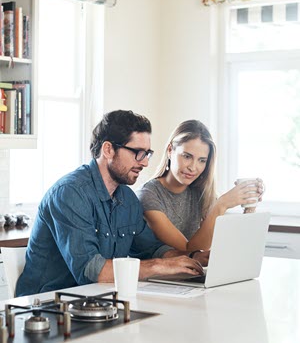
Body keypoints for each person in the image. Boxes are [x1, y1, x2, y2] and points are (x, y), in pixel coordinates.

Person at [16, 110, 206, 297]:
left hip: (96, 302)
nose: (145, 162)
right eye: (138, 153)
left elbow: (151, 249)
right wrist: (158, 266)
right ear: (108, 150)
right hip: (44, 308)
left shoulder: (127, 199)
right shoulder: (70, 193)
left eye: (147, 153)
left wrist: (193, 257)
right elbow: (91, 271)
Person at [136, 119, 264, 252]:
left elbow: (232, 244)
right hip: (161, 272)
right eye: (187, 156)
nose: (193, 167)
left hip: (196, 271)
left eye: (202, 160)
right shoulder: (148, 195)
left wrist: (250, 203)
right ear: (170, 150)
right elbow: (189, 250)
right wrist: (221, 205)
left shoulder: (201, 193)